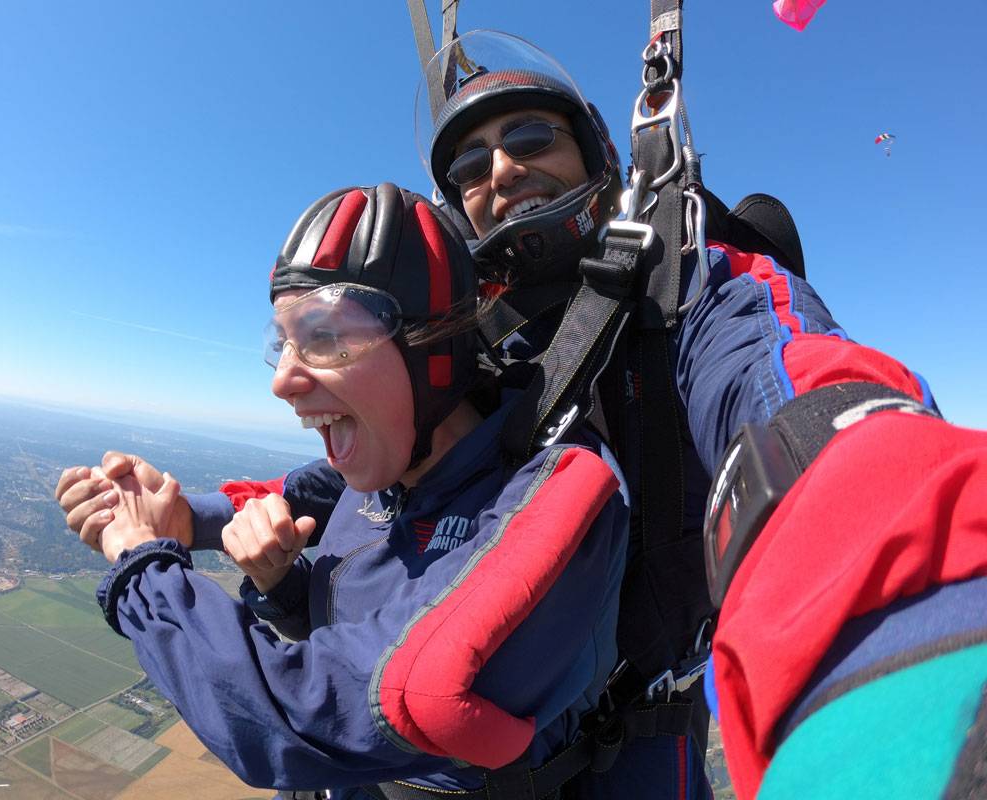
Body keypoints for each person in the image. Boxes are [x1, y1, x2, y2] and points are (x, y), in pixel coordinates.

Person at [57, 30, 948, 798]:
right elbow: (341, 484)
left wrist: (906, 561)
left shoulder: (690, 288)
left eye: (530, 138)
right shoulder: (475, 338)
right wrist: (195, 519)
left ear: (598, 158)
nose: (502, 169)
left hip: (630, 739)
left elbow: (795, 390)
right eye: (470, 166)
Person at [84, 182, 632, 798]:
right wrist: (178, 516)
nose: (284, 381)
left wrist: (143, 568)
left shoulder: (552, 501)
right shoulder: (381, 470)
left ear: (432, 348)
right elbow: (276, 497)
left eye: (326, 337)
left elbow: (300, 713)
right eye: (284, 342)